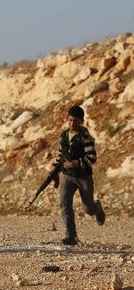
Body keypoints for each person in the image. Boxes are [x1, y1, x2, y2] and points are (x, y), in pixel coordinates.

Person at [54, 105, 105, 245]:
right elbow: (60, 155)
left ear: (81, 121)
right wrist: (55, 169)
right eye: (70, 120)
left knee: (88, 209)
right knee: (64, 204)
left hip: (83, 177)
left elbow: (92, 158)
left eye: (75, 121)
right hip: (67, 176)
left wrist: (75, 163)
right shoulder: (64, 135)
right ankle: (71, 235)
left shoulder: (86, 137)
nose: (72, 124)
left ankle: (97, 208)